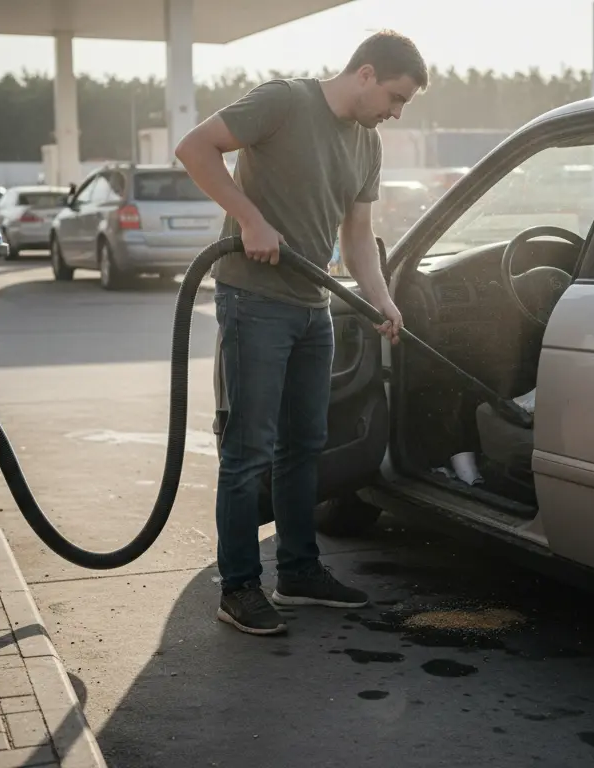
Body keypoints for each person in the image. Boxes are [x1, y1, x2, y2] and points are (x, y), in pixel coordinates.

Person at [175, 31, 427, 636]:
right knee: (247, 451)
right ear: (364, 73)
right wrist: (250, 218)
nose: (395, 113)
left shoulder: (367, 144)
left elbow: (357, 232)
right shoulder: (284, 101)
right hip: (254, 301)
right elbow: (195, 147)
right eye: (394, 97)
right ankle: (237, 587)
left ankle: (298, 571)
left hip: (314, 306)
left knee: (304, 445)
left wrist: (381, 299)